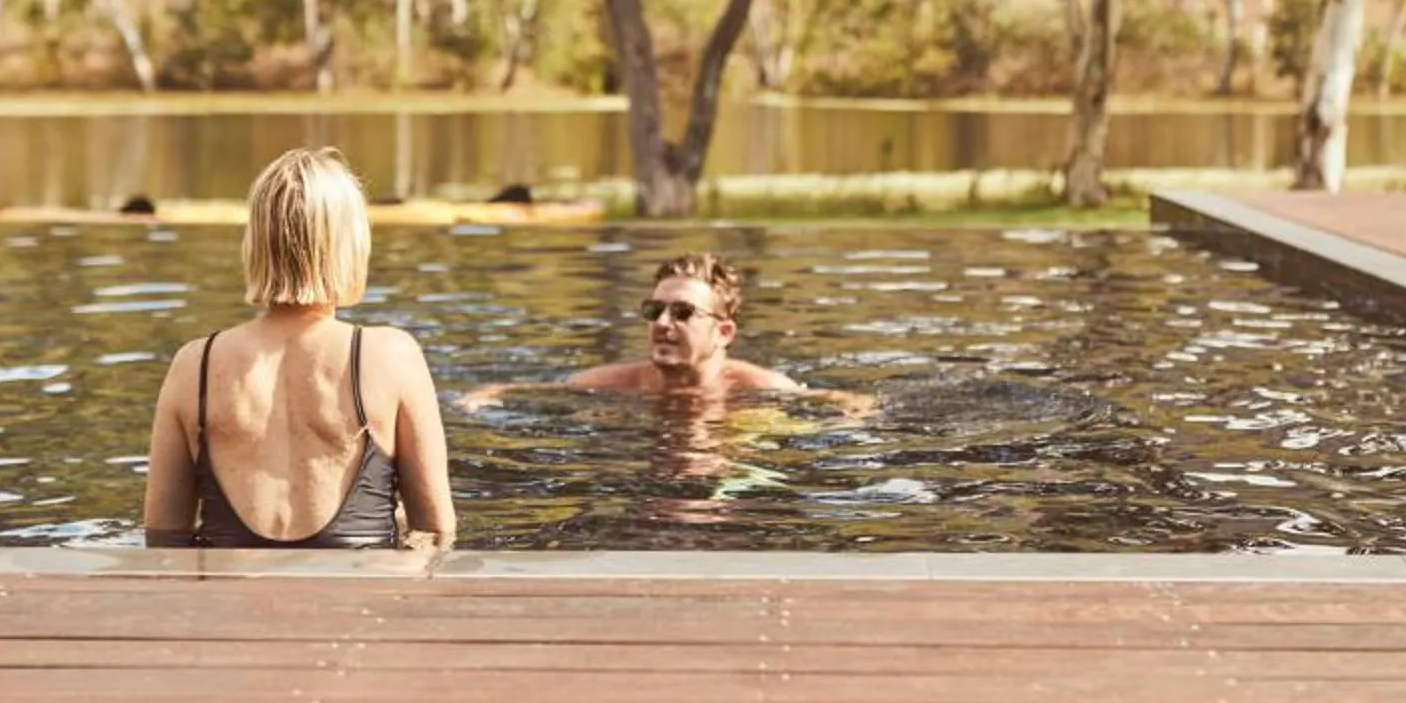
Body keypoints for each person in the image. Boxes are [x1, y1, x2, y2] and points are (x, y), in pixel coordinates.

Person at [143, 146, 456, 550]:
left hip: (229, 603)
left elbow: (163, 537)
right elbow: (435, 530)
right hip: (357, 602)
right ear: (349, 244)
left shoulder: (195, 365)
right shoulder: (390, 357)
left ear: (255, 241)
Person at [460, 252, 873, 413]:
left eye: (682, 312)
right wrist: (480, 399)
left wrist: (850, 417)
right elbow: (517, 390)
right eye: (654, 310)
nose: (661, 323)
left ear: (724, 332)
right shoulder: (615, 383)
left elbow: (848, 402)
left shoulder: (759, 387)